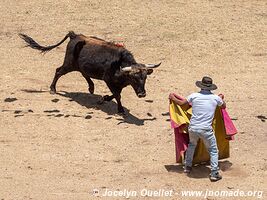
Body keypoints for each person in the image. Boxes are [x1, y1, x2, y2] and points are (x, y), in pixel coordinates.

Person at [169, 76, 226, 182]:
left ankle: (187, 167)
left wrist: (173, 98)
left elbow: (181, 103)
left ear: (201, 86)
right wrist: (221, 98)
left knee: (192, 145)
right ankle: (214, 173)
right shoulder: (215, 98)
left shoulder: (194, 95)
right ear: (211, 87)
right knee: (213, 150)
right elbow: (223, 107)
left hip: (193, 128)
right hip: (206, 130)